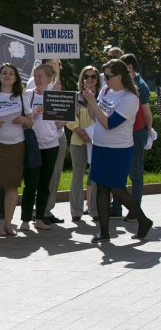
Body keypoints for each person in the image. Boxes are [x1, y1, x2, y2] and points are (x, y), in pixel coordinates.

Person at [83, 59, 152, 243]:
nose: (104, 80)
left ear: (119, 77)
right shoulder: (106, 91)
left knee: (118, 189)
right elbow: (93, 116)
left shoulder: (130, 98)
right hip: (100, 146)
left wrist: (93, 103)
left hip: (118, 149)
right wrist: (90, 100)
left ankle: (143, 221)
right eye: (104, 76)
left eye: (108, 76)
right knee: (102, 188)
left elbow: (108, 124)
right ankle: (104, 232)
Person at [0, 63, 32, 236]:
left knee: (12, 185)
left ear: (16, 77)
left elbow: (30, 122)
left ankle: (8, 224)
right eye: (4, 73)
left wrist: (23, 120)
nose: (7, 75)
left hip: (17, 145)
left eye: (11, 73)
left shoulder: (22, 96)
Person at [110, 53, 153, 221]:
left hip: (136, 133)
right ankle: (117, 207)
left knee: (135, 174)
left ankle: (135, 210)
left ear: (130, 67)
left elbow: (147, 112)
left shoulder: (140, 86)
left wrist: (149, 131)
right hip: (124, 133)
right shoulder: (127, 84)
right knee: (120, 172)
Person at [20, 65, 60, 232]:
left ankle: (40, 218)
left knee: (44, 184)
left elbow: (59, 124)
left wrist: (65, 118)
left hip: (51, 145)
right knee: (31, 184)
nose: (37, 79)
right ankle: (25, 220)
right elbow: (21, 119)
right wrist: (34, 113)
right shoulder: (27, 96)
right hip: (32, 146)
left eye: (41, 76)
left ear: (49, 78)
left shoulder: (54, 97)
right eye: (35, 76)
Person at [66, 66, 100, 221]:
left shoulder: (102, 97)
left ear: (97, 79)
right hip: (78, 141)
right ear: (82, 79)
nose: (90, 79)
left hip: (98, 142)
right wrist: (79, 130)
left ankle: (94, 210)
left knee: (95, 178)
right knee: (77, 176)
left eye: (93, 76)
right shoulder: (75, 97)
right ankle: (76, 211)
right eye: (86, 76)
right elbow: (68, 118)